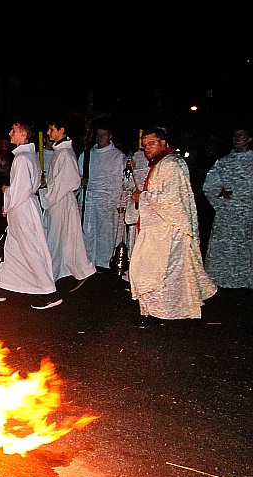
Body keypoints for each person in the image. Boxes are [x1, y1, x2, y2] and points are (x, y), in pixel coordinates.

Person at [129, 127, 216, 325]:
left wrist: (141, 197)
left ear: (163, 143)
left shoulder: (172, 164)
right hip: (157, 227)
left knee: (163, 273)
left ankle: (166, 314)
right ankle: (152, 312)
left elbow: (172, 200)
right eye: (144, 146)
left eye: (151, 144)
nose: (147, 149)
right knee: (149, 269)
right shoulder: (161, 164)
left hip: (169, 229)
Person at [0, 119, 61, 310]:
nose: (10, 134)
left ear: (23, 134)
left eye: (13, 130)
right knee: (13, 249)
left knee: (30, 250)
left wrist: (7, 192)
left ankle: (50, 292)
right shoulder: (27, 156)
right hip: (22, 208)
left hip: (22, 209)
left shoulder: (23, 159)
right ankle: (2, 287)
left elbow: (20, 190)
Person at [38, 119, 95, 289]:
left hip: (61, 202)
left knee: (55, 241)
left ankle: (49, 280)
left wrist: (46, 192)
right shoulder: (60, 152)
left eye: (51, 129)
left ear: (62, 130)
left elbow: (69, 180)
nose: (48, 133)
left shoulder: (65, 154)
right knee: (65, 240)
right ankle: (67, 273)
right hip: (57, 202)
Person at [202, 128, 252, 289]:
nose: (238, 139)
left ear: (250, 139)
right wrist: (221, 200)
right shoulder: (223, 162)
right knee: (225, 250)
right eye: (235, 136)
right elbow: (209, 185)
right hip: (227, 213)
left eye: (242, 136)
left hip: (248, 213)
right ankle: (222, 281)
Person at [79, 126, 127, 269]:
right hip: (90, 200)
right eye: (98, 134)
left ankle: (104, 262)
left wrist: (121, 202)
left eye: (103, 134)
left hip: (108, 201)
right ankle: (88, 261)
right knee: (88, 231)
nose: (100, 137)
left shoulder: (118, 156)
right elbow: (78, 174)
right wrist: (81, 181)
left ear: (110, 135)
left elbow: (121, 181)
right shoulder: (87, 155)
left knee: (105, 233)